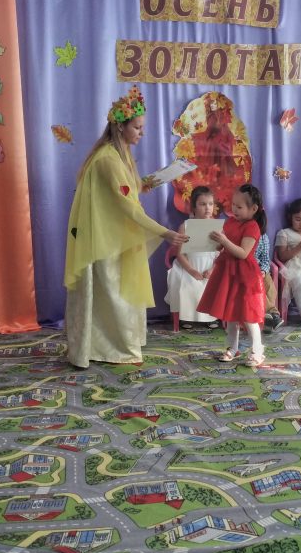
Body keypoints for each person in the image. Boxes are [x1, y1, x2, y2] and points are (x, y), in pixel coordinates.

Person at [64, 87, 186, 367]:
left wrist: (149, 182)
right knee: (115, 296)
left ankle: (104, 346)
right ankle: (112, 347)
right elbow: (128, 207)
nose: (141, 133)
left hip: (111, 237)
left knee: (112, 296)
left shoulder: (117, 155)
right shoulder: (108, 159)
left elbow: (127, 191)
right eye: (137, 127)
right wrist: (165, 232)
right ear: (120, 126)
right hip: (105, 241)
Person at [197, 184, 266, 367]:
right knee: (231, 316)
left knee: (249, 316)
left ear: (253, 209)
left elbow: (243, 253)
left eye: (239, 206)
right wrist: (214, 240)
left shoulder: (252, 227)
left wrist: (224, 240)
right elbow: (222, 246)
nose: (234, 209)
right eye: (233, 205)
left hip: (245, 276)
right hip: (227, 273)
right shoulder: (229, 223)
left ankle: (257, 351)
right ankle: (232, 348)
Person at [164, 186, 220, 329]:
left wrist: (212, 269)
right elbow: (180, 253)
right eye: (202, 204)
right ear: (194, 206)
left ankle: (210, 316)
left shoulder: (217, 227)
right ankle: (186, 317)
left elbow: (222, 252)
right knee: (188, 285)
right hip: (188, 265)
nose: (207, 208)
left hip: (210, 265)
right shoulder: (185, 226)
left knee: (211, 284)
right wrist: (191, 270)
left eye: (210, 204)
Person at [254, 228, 283, 332]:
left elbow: (265, 259)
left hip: (259, 269)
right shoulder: (242, 234)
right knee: (257, 284)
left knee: (269, 285)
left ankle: (268, 318)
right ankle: (273, 314)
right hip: (246, 269)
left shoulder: (263, 237)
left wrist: (263, 270)